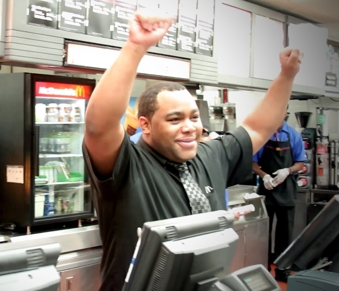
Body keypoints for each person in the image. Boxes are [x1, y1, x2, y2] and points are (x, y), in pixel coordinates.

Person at [82, 11, 302, 291]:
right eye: (175, 119)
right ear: (145, 125)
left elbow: (259, 127)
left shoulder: (211, 154)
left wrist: (287, 75)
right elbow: (99, 124)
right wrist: (136, 48)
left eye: (194, 117)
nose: (189, 127)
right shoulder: (126, 164)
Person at [253, 108, 305, 282]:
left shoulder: (294, 136)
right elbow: (253, 163)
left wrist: (287, 170)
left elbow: (300, 163)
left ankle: (283, 271)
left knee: (285, 234)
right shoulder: (263, 135)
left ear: (286, 115)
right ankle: (264, 269)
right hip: (266, 191)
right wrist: (264, 176)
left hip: (286, 190)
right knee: (263, 234)